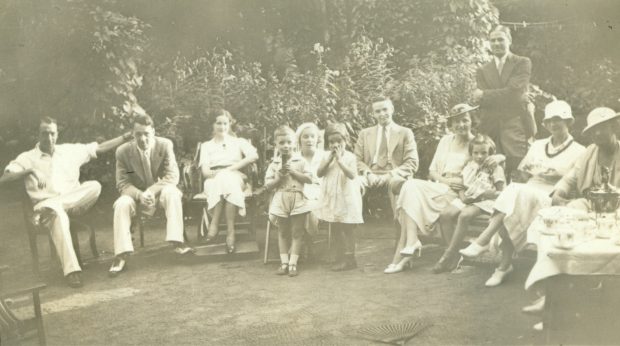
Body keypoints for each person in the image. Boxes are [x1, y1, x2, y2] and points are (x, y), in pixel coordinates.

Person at [458, 100, 585, 286]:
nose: (553, 124)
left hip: (550, 197)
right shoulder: (538, 145)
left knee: (513, 194)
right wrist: (519, 166)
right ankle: (503, 266)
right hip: (527, 190)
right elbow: (522, 173)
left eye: (558, 119)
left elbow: (574, 183)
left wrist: (555, 174)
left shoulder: (579, 150)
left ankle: (484, 242)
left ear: (569, 121)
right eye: (549, 120)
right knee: (513, 197)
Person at [1, 116, 129, 287]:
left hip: (72, 203)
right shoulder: (26, 158)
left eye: (52, 133)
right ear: (37, 134)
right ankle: (72, 271)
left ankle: (55, 206)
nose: (48, 138)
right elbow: (5, 178)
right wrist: (30, 171)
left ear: (57, 134)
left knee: (94, 185)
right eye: (44, 133)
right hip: (46, 206)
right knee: (58, 215)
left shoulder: (69, 151)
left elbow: (99, 148)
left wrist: (125, 137)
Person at [385, 104, 502, 274]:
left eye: (465, 120)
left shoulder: (477, 144)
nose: (461, 125)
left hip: (459, 191)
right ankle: (411, 242)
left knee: (408, 195)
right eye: (456, 122)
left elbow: (491, 160)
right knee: (409, 187)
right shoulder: (446, 140)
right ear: (451, 125)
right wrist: (445, 181)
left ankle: (405, 251)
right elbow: (432, 171)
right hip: (441, 185)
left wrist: (500, 157)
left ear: (472, 121)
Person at [109, 114, 193, 277]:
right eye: (138, 134)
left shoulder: (165, 145)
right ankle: (121, 255)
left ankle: (177, 243)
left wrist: (151, 191)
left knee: (173, 192)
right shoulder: (124, 152)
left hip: (160, 194)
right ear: (132, 134)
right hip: (136, 197)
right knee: (121, 204)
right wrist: (140, 195)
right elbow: (123, 183)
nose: (142, 138)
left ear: (153, 132)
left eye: (146, 133)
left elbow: (172, 176)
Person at [433, 134, 505, 273]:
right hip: (467, 198)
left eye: (484, 153)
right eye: (476, 153)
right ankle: (453, 256)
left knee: (464, 215)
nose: (479, 156)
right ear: (471, 153)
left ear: (490, 153)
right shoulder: (469, 166)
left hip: (485, 201)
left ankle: (447, 255)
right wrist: (463, 196)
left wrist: (483, 195)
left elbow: (500, 193)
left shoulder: (496, 168)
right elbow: (461, 185)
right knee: (445, 215)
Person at [473, 25, 533, 180]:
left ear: (509, 40)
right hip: (490, 128)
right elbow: (483, 103)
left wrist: (485, 94)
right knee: (491, 173)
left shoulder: (522, 63)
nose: (496, 43)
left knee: (519, 171)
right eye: (492, 40)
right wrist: (501, 96)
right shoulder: (483, 70)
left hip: (515, 125)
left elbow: (515, 94)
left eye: (500, 39)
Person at [199, 109, 259, 253]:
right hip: (212, 180)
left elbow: (253, 155)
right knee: (225, 181)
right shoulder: (206, 146)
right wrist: (222, 173)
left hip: (235, 176)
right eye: (218, 123)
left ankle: (214, 225)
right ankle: (230, 232)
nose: (222, 127)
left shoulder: (238, 142)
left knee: (227, 179)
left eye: (225, 123)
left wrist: (232, 168)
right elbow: (206, 172)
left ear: (230, 124)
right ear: (213, 125)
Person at [261, 125, 313, 277]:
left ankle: (293, 264)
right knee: (283, 231)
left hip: (297, 198)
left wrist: (293, 172)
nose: (285, 146)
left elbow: (309, 179)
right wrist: (278, 178)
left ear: (295, 143)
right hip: (281, 198)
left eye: (289, 142)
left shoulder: (301, 161)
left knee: (297, 231)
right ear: (276, 144)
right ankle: (283, 262)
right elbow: (268, 185)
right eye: (281, 143)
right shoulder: (274, 164)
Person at [354, 96, 418, 217]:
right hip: (370, 174)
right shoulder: (365, 133)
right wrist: (368, 174)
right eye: (377, 111)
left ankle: (399, 226)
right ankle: (352, 228)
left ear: (392, 109)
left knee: (398, 184)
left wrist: (389, 175)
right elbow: (356, 160)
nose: (382, 114)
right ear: (373, 114)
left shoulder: (405, 133)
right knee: (353, 184)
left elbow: (412, 162)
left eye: (385, 109)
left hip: (394, 174)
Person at [316, 123, 363, 271]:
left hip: (346, 197)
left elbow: (351, 175)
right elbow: (319, 173)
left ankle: (350, 259)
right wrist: (330, 160)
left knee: (347, 227)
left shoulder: (350, 157)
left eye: (339, 141)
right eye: (331, 142)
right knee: (335, 226)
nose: (335, 145)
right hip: (332, 197)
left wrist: (340, 161)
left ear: (346, 141)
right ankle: (339, 256)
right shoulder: (325, 156)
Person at [552, 107, 620, 210]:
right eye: (593, 130)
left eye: (602, 128)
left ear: (614, 127)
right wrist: (558, 194)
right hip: (590, 207)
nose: (597, 133)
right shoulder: (589, 153)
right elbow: (569, 179)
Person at [295, 123, 325, 257]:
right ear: (299, 140)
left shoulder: (324, 156)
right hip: (299, 191)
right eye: (305, 137)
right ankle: (301, 241)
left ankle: (307, 240)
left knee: (310, 208)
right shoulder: (294, 157)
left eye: (312, 136)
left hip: (321, 192)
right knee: (299, 205)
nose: (309, 140)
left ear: (317, 139)